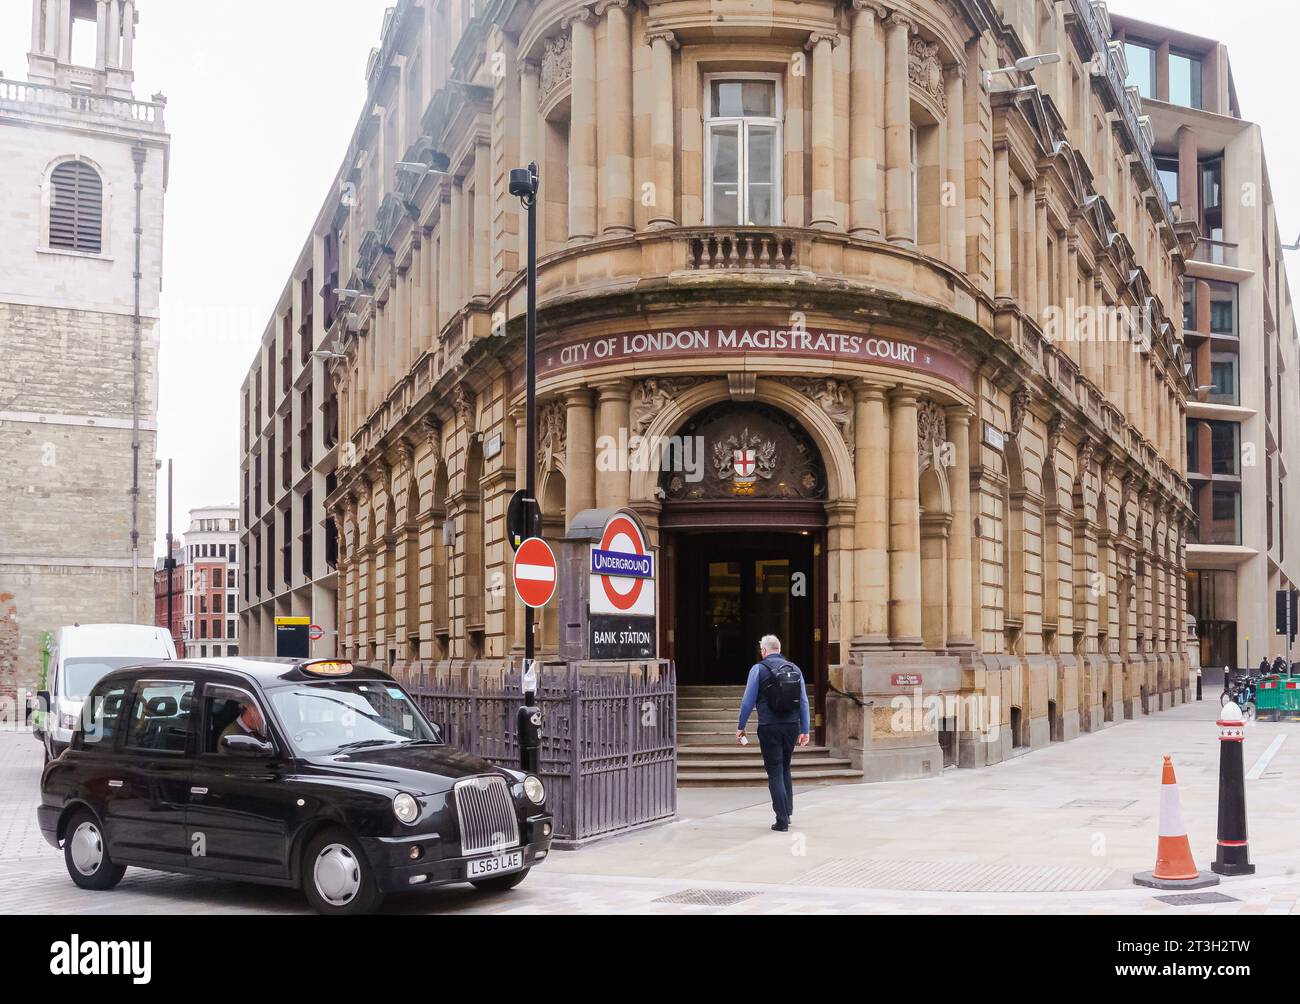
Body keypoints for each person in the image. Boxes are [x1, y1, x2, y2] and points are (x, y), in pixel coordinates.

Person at [736, 635, 809, 832]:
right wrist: (805, 729)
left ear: (764, 651)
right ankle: (788, 811)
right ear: (779, 649)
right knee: (785, 767)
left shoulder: (758, 669)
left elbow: (747, 702)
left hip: (769, 726)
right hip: (791, 726)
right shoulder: (795, 669)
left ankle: (781, 819)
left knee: (774, 771)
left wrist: (741, 726)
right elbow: (803, 701)